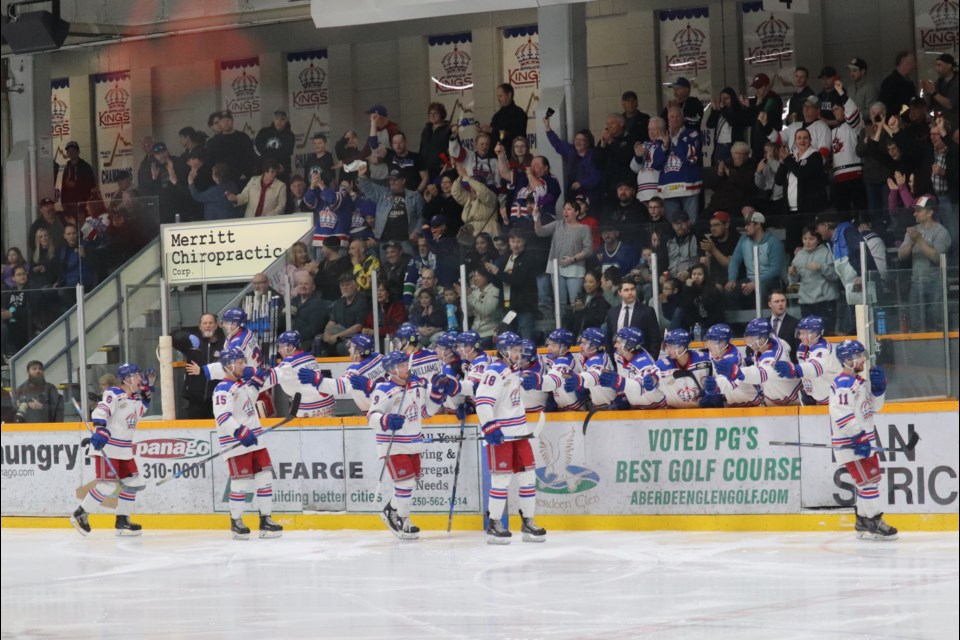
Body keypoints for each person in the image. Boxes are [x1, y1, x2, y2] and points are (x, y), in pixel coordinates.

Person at [365, 350, 448, 539]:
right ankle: (403, 519)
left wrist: (436, 395)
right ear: (392, 370)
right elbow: (372, 416)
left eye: (405, 365)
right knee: (405, 482)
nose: (406, 368)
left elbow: (426, 413)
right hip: (393, 445)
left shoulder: (417, 384)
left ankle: (391, 510)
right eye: (401, 366)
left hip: (414, 442)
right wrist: (386, 420)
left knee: (409, 484)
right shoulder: (383, 389)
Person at [474, 332, 546, 544]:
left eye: (519, 350)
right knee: (501, 480)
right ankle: (494, 523)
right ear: (504, 350)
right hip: (501, 436)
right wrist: (490, 426)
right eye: (514, 350)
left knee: (528, 478)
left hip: (520, 433)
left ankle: (528, 522)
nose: (518, 354)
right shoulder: (495, 372)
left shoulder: (515, 371)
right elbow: (482, 401)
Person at [69, 363, 151, 536]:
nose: (140, 379)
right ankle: (80, 514)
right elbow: (101, 411)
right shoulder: (113, 393)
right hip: (109, 446)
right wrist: (100, 428)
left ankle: (122, 521)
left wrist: (146, 396)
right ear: (127, 378)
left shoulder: (135, 397)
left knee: (133, 483)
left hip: (125, 450)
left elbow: (140, 412)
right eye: (137, 375)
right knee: (107, 485)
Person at [211, 348, 283, 540]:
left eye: (243, 362)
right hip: (237, 443)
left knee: (265, 478)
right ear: (228, 365)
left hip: (256, 441)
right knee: (241, 483)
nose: (244, 365)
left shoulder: (242, 385)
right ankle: (236, 522)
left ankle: (265, 519)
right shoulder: (222, 389)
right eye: (240, 362)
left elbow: (249, 397)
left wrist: (259, 380)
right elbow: (223, 417)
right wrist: (239, 431)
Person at [828, 339, 897, 540]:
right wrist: (857, 435)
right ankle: (874, 521)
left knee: (869, 481)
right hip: (852, 444)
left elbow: (874, 408)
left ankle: (863, 522)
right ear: (847, 360)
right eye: (858, 356)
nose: (862, 359)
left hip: (864, 442)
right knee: (868, 483)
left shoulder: (860, 382)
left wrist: (878, 390)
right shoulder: (842, 383)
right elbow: (840, 413)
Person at [714, 318, 800, 406]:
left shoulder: (772, 358)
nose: (752, 343)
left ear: (766, 337)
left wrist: (738, 372)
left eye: (755, 338)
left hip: (790, 402)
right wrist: (750, 360)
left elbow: (759, 373)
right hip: (779, 399)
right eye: (750, 338)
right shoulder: (771, 342)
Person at [896, 195, 952, 330]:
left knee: (938, 321)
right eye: (915, 210)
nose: (915, 214)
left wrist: (919, 240)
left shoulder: (941, 232)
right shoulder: (913, 231)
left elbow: (938, 258)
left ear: (930, 212)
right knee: (915, 323)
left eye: (919, 210)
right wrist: (911, 243)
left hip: (936, 283)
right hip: (917, 282)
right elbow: (901, 256)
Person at [772, 315, 842, 406]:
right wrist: (808, 391)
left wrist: (795, 369)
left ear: (815, 333)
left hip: (835, 402)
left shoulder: (824, 351)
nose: (800, 336)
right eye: (800, 333)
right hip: (819, 401)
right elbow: (806, 373)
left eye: (803, 333)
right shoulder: (803, 347)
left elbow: (813, 368)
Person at [652, 105, 703, 223]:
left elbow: (689, 158)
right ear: (668, 120)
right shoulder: (663, 137)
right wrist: (664, 146)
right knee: (673, 226)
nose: (675, 119)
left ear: (683, 118)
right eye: (672, 117)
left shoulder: (692, 134)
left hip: (688, 187)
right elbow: (656, 164)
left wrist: (674, 140)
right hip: (668, 188)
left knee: (691, 223)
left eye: (677, 116)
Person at [485, 229, 539, 341]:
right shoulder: (504, 259)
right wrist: (492, 273)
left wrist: (498, 272)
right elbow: (498, 283)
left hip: (524, 308)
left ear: (524, 242)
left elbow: (519, 281)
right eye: (513, 241)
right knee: (507, 340)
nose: (516, 244)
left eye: (518, 241)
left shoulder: (528, 259)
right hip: (508, 307)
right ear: (509, 242)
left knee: (526, 340)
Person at [725, 211, 785, 308]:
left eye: (748, 224)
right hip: (750, 279)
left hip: (770, 280)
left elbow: (775, 270)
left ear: (758, 225)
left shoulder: (774, 242)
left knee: (762, 288)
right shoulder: (743, 240)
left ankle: (764, 321)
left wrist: (756, 282)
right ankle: (738, 323)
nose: (745, 228)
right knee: (730, 291)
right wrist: (731, 279)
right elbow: (735, 261)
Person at [171, 313, 226, 419]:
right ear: (200, 326)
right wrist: (187, 336)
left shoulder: (224, 344)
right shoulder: (192, 343)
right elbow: (172, 337)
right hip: (195, 401)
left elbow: (226, 368)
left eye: (211, 323)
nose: (208, 325)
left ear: (216, 325)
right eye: (204, 323)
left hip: (216, 400)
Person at [597, 327, 666, 410]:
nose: (615, 345)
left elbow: (640, 387)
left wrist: (620, 382)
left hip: (655, 409)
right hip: (635, 406)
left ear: (629, 345)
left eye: (618, 342)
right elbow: (623, 375)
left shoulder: (645, 364)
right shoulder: (619, 355)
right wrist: (622, 395)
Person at [788, 226, 840, 333]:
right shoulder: (799, 256)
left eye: (811, 239)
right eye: (805, 239)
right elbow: (793, 283)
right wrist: (792, 274)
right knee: (808, 335)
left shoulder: (826, 252)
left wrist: (821, 267)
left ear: (818, 240)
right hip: (805, 303)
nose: (808, 242)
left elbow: (836, 276)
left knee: (827, 334)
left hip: (825, 302)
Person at [699, 324, 762, 408]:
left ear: (724, 342)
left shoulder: (732, 359)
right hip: (733, 402)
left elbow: (728, 383)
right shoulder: (717, 352)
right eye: (709, 341)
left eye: (713, 342)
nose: (709, 345)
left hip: (751, 403)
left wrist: (712, 390)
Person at [521, 328, 584, 411]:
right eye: (549, 344)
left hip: (574, 409)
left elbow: (552, 380)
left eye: (553, 345)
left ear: (564, 348)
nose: (549, 348)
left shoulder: (564, 363)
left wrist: (538, 380)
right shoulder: (553, 356)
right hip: (559, 405)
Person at [562, 327, 618, 410]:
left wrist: (580, 380)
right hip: (596, 405)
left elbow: (594, 374)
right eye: (581, 342)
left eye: (584, 343)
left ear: (594, 346)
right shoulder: (584, 356)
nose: (580, 346)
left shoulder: (600, 361)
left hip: (609, 408)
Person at [653, 329, 710, 408]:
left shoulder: (705, 359)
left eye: (671, 346)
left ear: (683, 346)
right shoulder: (661, 366)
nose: (668, 349)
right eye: (667, 346)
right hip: (675, 414)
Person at [605, 276, 660, 356]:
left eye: (632, 289)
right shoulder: (612, 313)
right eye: (626, 290)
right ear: (620, 292)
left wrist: (651, 359)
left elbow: (655, 338)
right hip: (617, 360)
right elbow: (609, 339)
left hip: (641, 360)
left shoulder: (647, 311)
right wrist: (611, 359)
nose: (630, 292)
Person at [322, 273, 370, 356]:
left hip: (354, 337)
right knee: (318, 341)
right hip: (338, 336)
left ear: (355, 286)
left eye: (347, 285)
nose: (344, 288)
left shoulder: (362, 302)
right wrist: (326, 335)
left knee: (342, 346)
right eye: (342, 285)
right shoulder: (338, 303)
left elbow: (358, 327)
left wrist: (337, 336)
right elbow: (331, 323)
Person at [58, 141, 97, 224]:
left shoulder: (85, 167)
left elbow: (92, 184)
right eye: (68, 151)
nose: (71, 153)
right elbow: (63, 187)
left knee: (82, 227)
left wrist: (75, 184)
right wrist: (63, 202)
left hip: (82, 206)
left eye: (73, 150)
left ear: (78, 152)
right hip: (69, 206)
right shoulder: (67, 168)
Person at [254, 108, 295, 182]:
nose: (279, 122)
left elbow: (285, 153)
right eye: (276, 118)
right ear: (273, 119)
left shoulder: (290, 136)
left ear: (286, 120)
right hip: (264, 172)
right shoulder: (264, 132)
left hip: (281, 172)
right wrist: (268, 164)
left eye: (282, 119)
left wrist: (276, 165)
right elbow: (257, 149)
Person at [923, 53, 959, 130]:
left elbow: (950, 104)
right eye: (936, 65)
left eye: (940, 65)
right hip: (941, 124)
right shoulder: (938, 83)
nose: (937, 69)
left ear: (949, 66)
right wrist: (927, 93)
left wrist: (933, 92)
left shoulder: (957, 82)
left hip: (955, 125)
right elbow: (931, 105)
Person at [487, 83, 528, 149]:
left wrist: (493, 131)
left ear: (509, 95)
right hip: (497, 153)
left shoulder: (519, 113)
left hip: (513, 153)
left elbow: (515, 135)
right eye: (497, 96)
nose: (498, 99)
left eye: (500, 96)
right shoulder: (497, 115)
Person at [570, 270, 610, 336]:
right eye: (585, 282)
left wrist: (584, 309)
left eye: (591, 282)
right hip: (578, 333)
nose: (587, 285)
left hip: (593, 334)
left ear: (598, 283)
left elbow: (599, 320)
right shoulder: (580, 297)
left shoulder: (602, 300)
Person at [879, 51, 917, 118]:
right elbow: (887, 107)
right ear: (903, 62)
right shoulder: (889, 83)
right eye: (912, 62)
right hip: (895, 121)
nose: (914, 65)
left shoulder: (909, 84)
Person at [767, 289, 799, 361]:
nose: (780, 304)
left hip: (787, 367)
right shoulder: (764, 323)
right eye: (777, 301)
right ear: (769, 304)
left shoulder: (795, 323)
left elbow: (798, 348)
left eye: (783, 301)